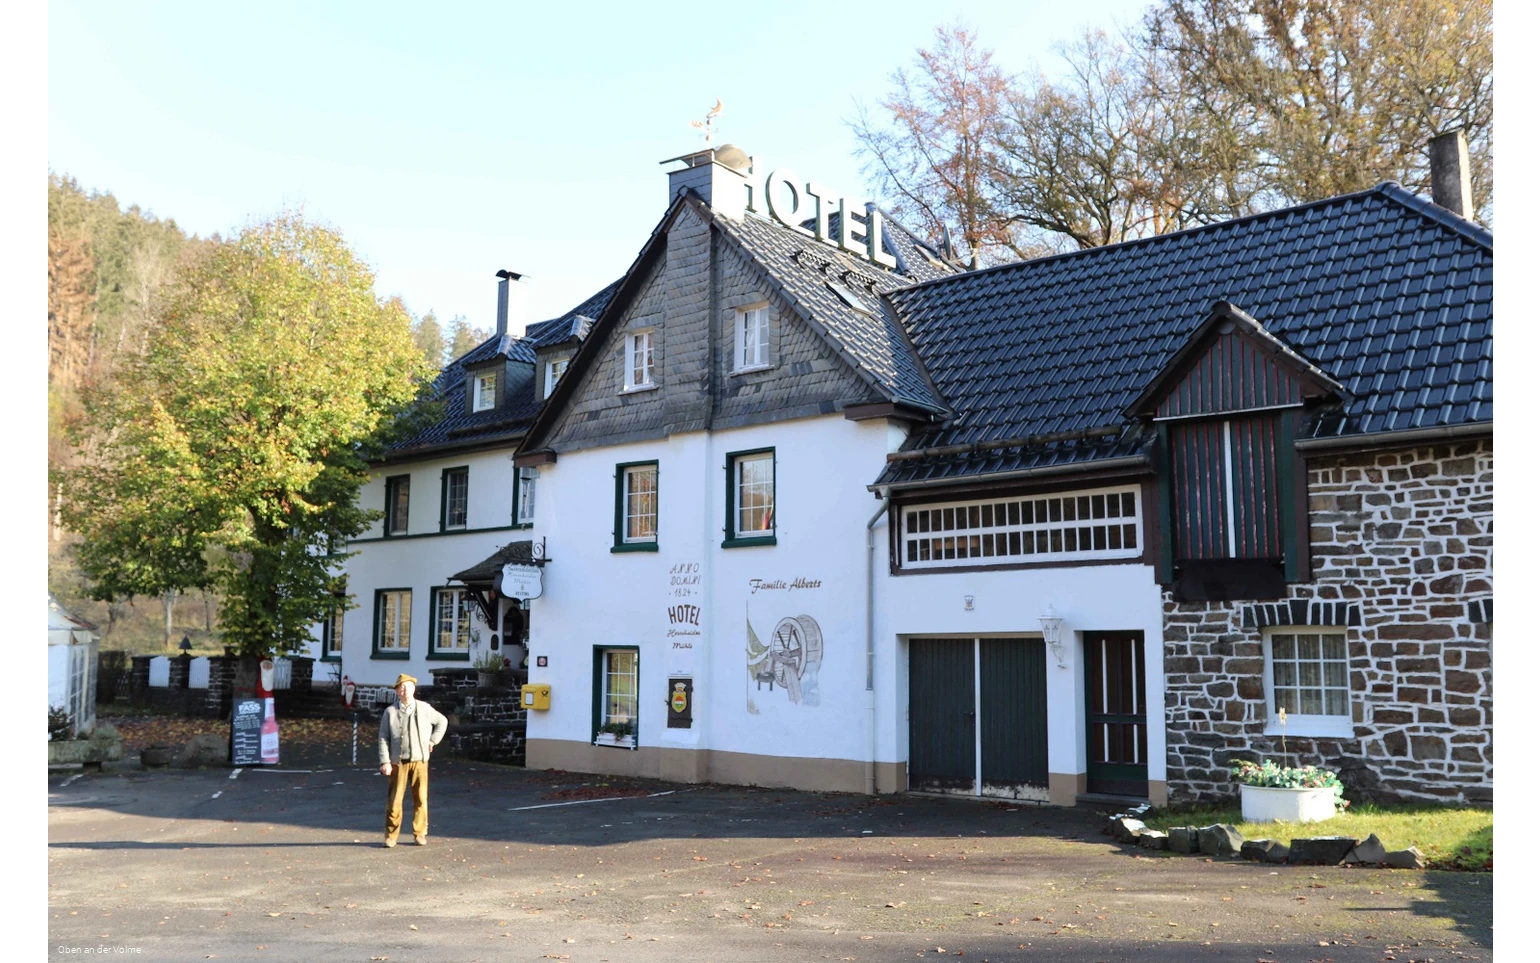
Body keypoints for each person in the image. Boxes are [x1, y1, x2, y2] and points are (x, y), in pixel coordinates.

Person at [377, 673, 448, 848]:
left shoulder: (424, 708)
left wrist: (433, 741)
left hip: (420, 761)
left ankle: (420, 834)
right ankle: (391, 836)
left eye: (408, 686)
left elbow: (442, 721)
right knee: (394, 800)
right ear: (396, 691)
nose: (405, 690)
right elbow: (383, 737)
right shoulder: (390, 712)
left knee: (421, 799)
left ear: (414, 689)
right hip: (398, 762)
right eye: (401, 687)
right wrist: (385, 761)